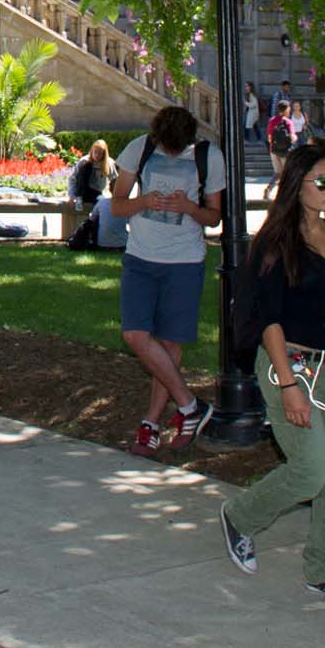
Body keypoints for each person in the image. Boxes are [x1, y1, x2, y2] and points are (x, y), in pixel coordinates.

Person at [219, 141, 325, 609]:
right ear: (297, 185)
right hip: (293, 366)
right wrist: (288, 386)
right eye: (322, 182)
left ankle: (323, 570)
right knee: (310, 471)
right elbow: (268, 319)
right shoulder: (274, 242)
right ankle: (240, 516)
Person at [111, 105, 225, 456]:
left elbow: (214, 217)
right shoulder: (140, 149)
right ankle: (191, 406)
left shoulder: (209, 156)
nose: (173, 153)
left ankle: (151, 424)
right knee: (135, 334)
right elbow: (116, 205)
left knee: (169, 346)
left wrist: (188, 207)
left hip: (184, 261)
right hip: (141, 257)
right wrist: (143, 200)